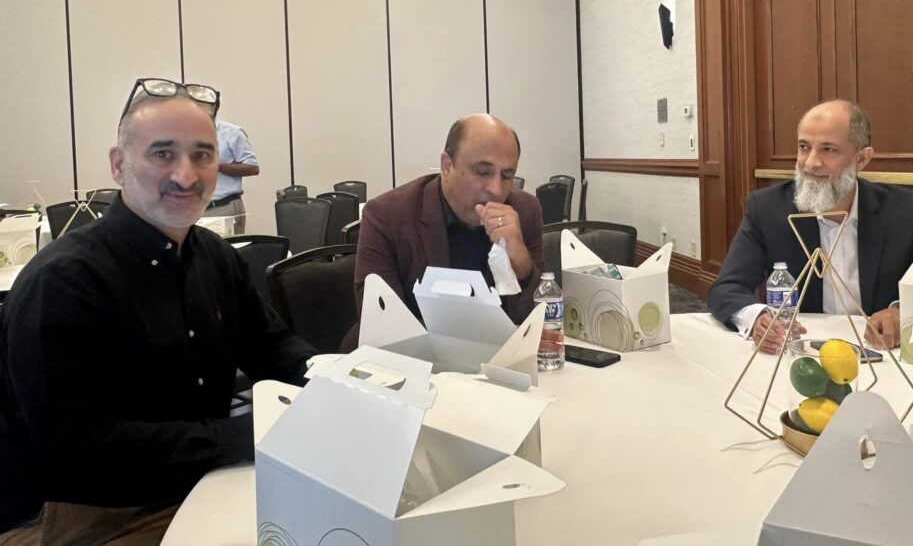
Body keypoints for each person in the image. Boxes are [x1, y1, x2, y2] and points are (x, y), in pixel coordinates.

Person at [0, 78, 316, 543]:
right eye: (163, 154)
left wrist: (334, 382)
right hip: (100, 507)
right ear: (118, 164)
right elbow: (76, 448)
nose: (186, 176)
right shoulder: (64, 282)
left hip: (209, 479)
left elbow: (271, 345)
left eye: (202, 155)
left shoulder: (214, 256)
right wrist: (242, 436)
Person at [708, 99, 913, 355]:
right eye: (804, 147)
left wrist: (900, 311)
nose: (810, 163)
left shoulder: (907, 211)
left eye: (828, 150)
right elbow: (727, 288)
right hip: (802, 352)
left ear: (861, 159)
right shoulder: (768, 208)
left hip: (882, 351)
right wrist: (758, 317)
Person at [353, 114, 544, 331]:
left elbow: (543, 322)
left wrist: (522, 264)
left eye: (507, 176)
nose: (496, 189)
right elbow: (379, 320)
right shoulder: (388, 215)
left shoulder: (524, 210)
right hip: (411, 348)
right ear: (446, 166)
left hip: (497, 349)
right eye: (483, 172)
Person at [205, 115, 259, 234]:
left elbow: (252, 168)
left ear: (215, 106)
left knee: (224, 247)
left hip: (222, 207)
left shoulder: (232, 132)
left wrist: (218, 166)